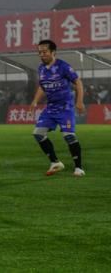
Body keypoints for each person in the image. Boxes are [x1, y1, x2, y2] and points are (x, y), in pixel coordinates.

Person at [30, 39, 85, 177]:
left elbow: (78, 82)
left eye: (44, 52)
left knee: (69, 136)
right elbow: (42, 86)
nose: (42, 55)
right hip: (50, 108)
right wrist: (35, 101)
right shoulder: (41, 68)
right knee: (38, 133)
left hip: (65, 107)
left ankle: (79, 168)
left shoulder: (63, 66)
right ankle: (55, 162)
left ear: (53, 52)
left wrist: (79, 101)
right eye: (40, 52)